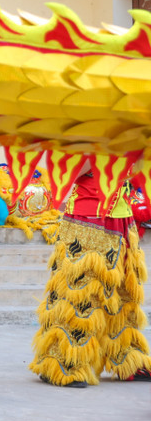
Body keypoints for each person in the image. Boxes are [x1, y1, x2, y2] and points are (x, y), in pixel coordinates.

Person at [29, 165, 151, 387]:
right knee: (80, 294)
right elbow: (68, 172)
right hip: (87, 217)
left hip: (122, 217)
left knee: (124, 294)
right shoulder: (86, 133)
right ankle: (63, 363)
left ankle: (127, 358)